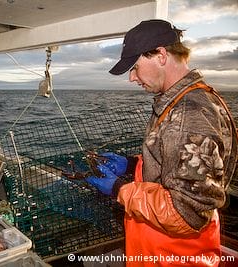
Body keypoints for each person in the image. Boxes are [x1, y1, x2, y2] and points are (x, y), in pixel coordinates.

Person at [86, 19, 237, 266]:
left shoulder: (189, 113)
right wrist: (132, 164)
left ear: (161, 55)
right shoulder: (190, 99)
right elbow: (179, 164)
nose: (132, 78)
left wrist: (118, 190)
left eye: (134, 67)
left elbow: (185, 213)